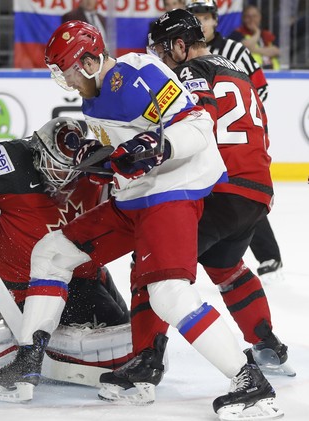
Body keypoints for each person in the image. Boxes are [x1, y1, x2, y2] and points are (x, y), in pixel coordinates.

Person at [0, 19, 282, 419]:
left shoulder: (139, 71)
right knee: (52, 253)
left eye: (66, 71)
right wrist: (95, 158)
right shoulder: (96, 98)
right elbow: (125, 156)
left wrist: (159, 145)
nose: (66, 82)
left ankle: (251, 383)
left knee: (168, 292)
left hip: (174, 191)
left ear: (88, 61)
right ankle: (29, 362)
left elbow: (198, 126)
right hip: (136, 198)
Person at [114, 8, 295, 406]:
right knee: (225, 265)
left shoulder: (191, 72)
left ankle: (146, 361)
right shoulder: (235, 68)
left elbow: (198, 121)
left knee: (154, 264)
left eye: (163, 51)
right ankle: (268, 344)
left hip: (221, 184)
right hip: (256, 189)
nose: (161, 60)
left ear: (180, 46)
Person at [0, 117, 132, 383]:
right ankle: (18, 337)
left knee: (126, 333)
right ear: (38, 152)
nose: (65, 179)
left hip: (86, 276)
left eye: (73, 170)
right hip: (29, 283)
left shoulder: (95, 163)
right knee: (119, 346)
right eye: (57, 168)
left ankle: (19, 336)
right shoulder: (11, 160)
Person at [186, 0, 283, 281]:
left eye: (205, 18)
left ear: (216, 21)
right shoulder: (182, 51)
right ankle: (218, 258)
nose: (201, 23)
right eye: (195, 18)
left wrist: (235, 119)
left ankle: (268, 256)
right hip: (204, 135)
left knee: (239, 190)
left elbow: (260, 87)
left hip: (236, 137)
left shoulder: (235, 50)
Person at [229, 4, 280, 70]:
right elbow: (245, 46)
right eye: (248, 17)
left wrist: (254, 50)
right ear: (243, 18)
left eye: (254, 16)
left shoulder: (266, 34)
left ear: (260, 17)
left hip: (273, 73)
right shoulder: (237, 33)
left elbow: (276, 51)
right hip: (250, 74)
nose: (252, 19)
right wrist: (257, 32)